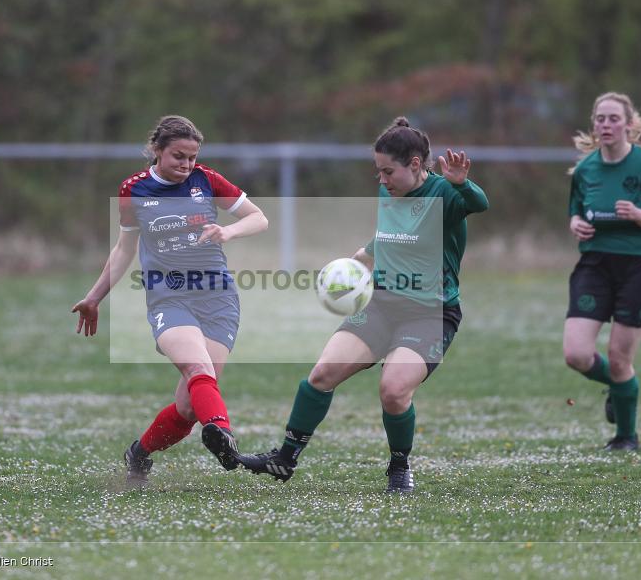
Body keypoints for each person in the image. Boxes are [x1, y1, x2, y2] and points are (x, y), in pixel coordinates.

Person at [240, 117, 488, 493]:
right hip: (381, 304)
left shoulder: (444, 194)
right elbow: (392, 236)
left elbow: (479, 204)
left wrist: (461, 183)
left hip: (430, 314)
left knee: (393, 391)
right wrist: (360, 258)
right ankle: (285, 458)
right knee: (322, 374)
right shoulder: (390, 193)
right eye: (378, 172)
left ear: (416, 165)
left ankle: (399, 467)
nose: (382, 180)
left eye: (388, 171)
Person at [71, 115, 268, 485]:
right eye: (178, 155)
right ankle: (224, 437)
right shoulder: (134, 190)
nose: (186, 164)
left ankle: (139, 453)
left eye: (192, 157)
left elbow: (259, 218)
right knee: (199, 370)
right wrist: (93, 298)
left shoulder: (206, 181)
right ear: (156, 151)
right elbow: (124, 249)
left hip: (218, 298)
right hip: (169, 296)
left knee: (189, 406)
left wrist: (228, 230)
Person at [563, 92, 641, 451]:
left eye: (613, 119)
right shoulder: (585, 169)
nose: (606, 125)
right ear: (593, 124)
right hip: (595, 264)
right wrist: (576, 225)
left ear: (628, 124)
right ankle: (617, 384)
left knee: (620, 358)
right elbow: (576, 213)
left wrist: (638, 215)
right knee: (576, 354)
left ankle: (626, 437)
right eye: (600, 119)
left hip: (640, 266)